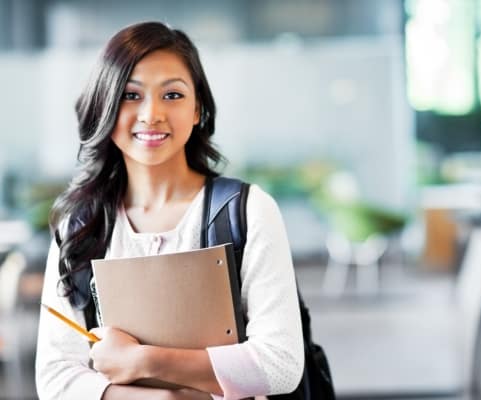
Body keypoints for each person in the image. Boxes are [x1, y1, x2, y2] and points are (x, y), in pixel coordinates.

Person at [35, 21, 303, 400]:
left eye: (173, 95)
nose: (151, 114)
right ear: (105, 106)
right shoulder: (80, 225)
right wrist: (166, 399)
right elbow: (55, 377)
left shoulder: (247, 210)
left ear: (198, 110)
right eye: (130, 95)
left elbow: (280, 365)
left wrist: (145, 361)